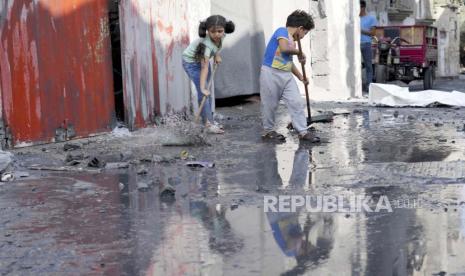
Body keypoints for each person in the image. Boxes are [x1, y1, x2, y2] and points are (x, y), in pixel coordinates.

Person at [260, 10, 320, 143]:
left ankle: (303, 131)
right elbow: (283, 48)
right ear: (300, 28)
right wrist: (299, 52)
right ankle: (268, 131)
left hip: (286, 75)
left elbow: (289, 62)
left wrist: (300, 77)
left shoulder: (292, 41)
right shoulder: (282, 32)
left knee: (296, 101)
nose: (304, 36)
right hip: (270, 72)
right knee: (269, 104)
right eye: (305, 32)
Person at [182, 15, 235, 134]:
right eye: (212, 32)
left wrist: (216, 54)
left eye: (220, 31)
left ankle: (209, 120)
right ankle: (207, 124)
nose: (217, 34)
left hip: (202, 61)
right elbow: (204, 67)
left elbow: (216, 46)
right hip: (191, 63)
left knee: (208, 93)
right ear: (207, 31)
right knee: (204, 93)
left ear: (224, 30)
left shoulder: (220, 37)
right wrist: (202, 88)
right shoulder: (206, 45)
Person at [360, 0, 378, 93]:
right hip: (356, 45)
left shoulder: (371, 18)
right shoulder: (355, 18)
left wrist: (361, 30)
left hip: (366, 43)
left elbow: (373, 33)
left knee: (368, 66)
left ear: (362, 7)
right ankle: (358, 86)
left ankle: (369, 87)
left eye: (359, 8)